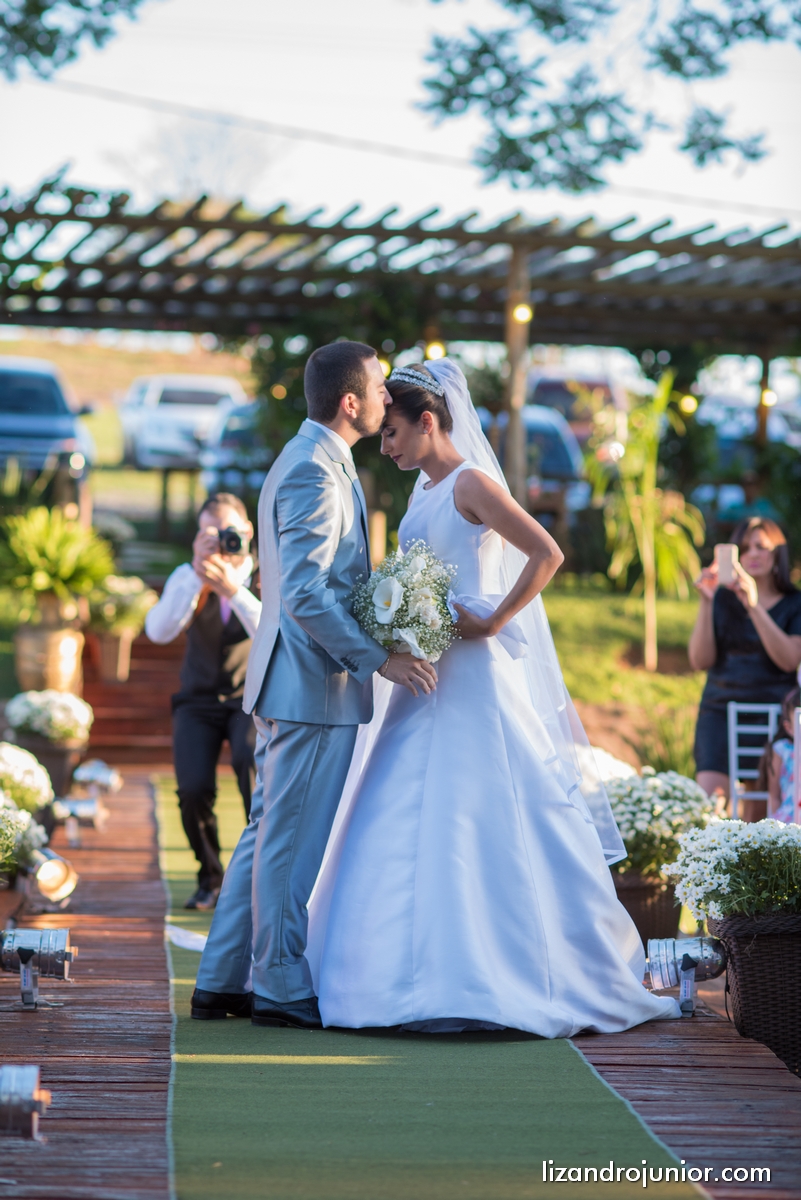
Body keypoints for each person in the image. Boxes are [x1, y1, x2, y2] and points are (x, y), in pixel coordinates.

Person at [305, 359, 680, 1035]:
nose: (384, 446)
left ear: (427, 421)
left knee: (479, 808)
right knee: (398, 806)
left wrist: (496, 618)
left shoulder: (471, 483)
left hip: (473, 670)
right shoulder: (421, 489)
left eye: (392, 432)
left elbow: (546, 553)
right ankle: (392, 976)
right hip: (426, 671)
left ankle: (498, 972)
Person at [191, 341, 437, 1025]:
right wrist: (377, 658)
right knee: (288, 842)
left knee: (267, 834)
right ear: (350, 402)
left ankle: (220, 980)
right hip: (312, 686)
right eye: (380, 388)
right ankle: (278, 985)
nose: (389, 397)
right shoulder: (314, 470)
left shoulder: (311, 457)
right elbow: (304, 592)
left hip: (295, 682)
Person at [145, 492, 261, 910]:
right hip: (197, 699)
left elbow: (275, 632)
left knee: (252, 773)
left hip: (250, 699)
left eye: (227, 532)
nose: (220, 541)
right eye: (208, 533)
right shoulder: (186, 576)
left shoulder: (265, 575)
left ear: (247, 531)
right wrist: (198, 578)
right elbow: (158, 631)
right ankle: (209, 877)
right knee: (193, 788)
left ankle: (256, 880)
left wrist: (234, 590)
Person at [689, 517, 801, 815]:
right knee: (709, 807)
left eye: (761, 547)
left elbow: (789, 660)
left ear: (778, 552)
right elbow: (700, 660)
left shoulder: (795, 603)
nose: (752, 554)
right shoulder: (721, 599)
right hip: (719, 708)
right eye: (744, 547)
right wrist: (706, 602)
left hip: (774, 715)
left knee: (760, 815)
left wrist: (753, 605)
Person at [758, 685, 801, 824]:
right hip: (789, 819)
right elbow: (774, 795)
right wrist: (777, 825)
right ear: (789, 727)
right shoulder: (782, 750)